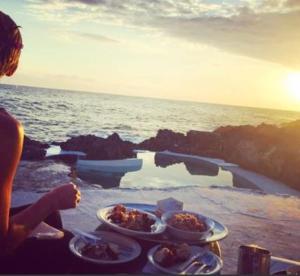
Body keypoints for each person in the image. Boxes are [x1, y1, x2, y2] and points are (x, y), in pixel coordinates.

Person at [0, 10, 81, 273]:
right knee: (71, 248)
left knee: (50, 219)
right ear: (9, 59)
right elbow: (2, 245)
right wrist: (52, 199)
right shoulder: (6, 129)